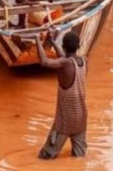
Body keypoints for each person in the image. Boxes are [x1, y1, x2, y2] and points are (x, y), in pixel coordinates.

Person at [35, 30, 88, 160]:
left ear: (64, 46)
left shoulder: (65, 63)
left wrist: (37, 39)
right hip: (82, 118)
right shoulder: (84, 61)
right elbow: (65, 59)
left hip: (65, 120)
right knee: (79, 158)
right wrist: (53, 42)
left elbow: (45, 62)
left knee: (45, 158)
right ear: (78, 46)